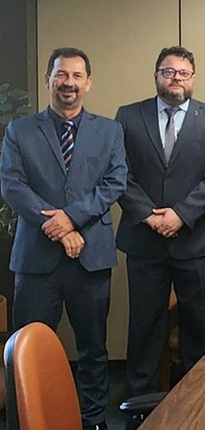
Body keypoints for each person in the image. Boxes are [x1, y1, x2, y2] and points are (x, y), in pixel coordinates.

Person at [1, 47, 127, 430]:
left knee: (93, 349)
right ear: (47, 80)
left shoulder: (110, 130)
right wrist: (55, 227)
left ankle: (93, 420)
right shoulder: (19, 130)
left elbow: (114, 183)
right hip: (36, 260)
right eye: (60, 75)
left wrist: (70, 220)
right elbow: (12, 185)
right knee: (27, 349)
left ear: (88, 82)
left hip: (90, 255)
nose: (68, 83)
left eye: (76, 76)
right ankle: (25, 420)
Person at [115, 46, 205, 396]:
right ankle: (141, 403)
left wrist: (181, 214)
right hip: (144, 240)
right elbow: (119, 172)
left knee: (199, 326)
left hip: (193, 241)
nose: (175, 78)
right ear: (156, 76)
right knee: (145, 327)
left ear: (193, 78)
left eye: (183, 73)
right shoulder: (128, 116)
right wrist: (149, 216)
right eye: (168, 71)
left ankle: (203, 398)